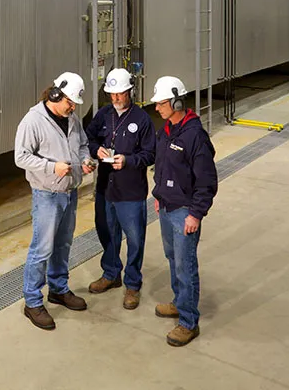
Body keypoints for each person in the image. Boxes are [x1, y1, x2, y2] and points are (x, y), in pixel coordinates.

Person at [14, 71, 96, 331]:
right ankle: (32, 301)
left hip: (70, 193)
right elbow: (21, 157)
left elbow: (82, 144)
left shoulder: (72, 118)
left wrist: (85, 160)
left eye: (74, 104)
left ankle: (58, 289)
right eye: (69, 102)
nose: (72, 108)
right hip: (47, 195)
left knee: (63, 244)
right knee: (42, 249)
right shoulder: (33, 121)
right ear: (55, 94)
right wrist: (52, 168)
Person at [150, 75, 218, 347]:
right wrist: (158, 194)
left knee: (185, 265)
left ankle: (189, 321)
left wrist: (196, 214)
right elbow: (162, 166)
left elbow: (206, 180)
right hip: (166, 207)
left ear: (177, 102)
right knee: (172, 257)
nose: (157, 108)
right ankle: (179, 303)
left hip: (184, 212)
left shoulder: (194, 136)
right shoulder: (166, 130)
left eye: (162, 103)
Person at [84, 68, 155, 310]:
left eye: (120, 94)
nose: (115, 99)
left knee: (134, 238)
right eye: (112, 94)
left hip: (131, 191)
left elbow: (149, 154)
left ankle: (133, 283)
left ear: (130, 92)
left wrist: (128, 161)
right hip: (106, 187)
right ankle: (111, 273)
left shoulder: (142, 119)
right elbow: (89, 137)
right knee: (106, 231)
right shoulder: (104, 114)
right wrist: (96, 150)